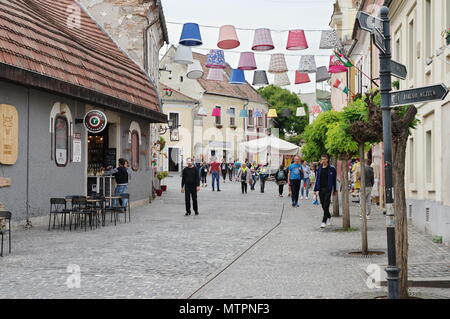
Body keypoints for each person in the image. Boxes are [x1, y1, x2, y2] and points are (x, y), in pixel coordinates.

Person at [314, 154, 337, 228]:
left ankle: (324, 221)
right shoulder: (319, 168)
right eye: (322, 159)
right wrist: (315, 189)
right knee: (322, 204)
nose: (323, 160)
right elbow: (317, 179)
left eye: (324, 159)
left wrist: (335, 189)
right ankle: (329, 216)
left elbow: (334, 180)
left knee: (326, 204)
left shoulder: (332, 168)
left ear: (327, 160)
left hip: (328, 189)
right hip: (320, 189)